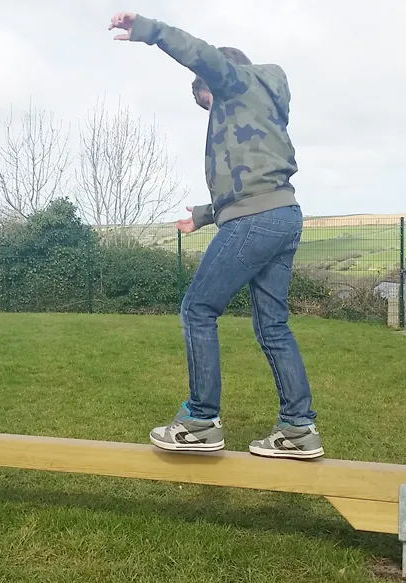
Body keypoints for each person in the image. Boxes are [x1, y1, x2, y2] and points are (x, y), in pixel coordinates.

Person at [109, 12, 324, 459]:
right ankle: (298, 428)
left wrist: (150, 31)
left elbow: (202, 55)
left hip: (254, 221)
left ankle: (201, 420)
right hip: (283, 213)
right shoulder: (267, 101)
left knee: (198, 308)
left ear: (216, 81)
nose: (211, 113)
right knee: (273, 325)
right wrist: (206, 215)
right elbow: (254, 175)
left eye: (207, 103)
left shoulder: (235, 82)